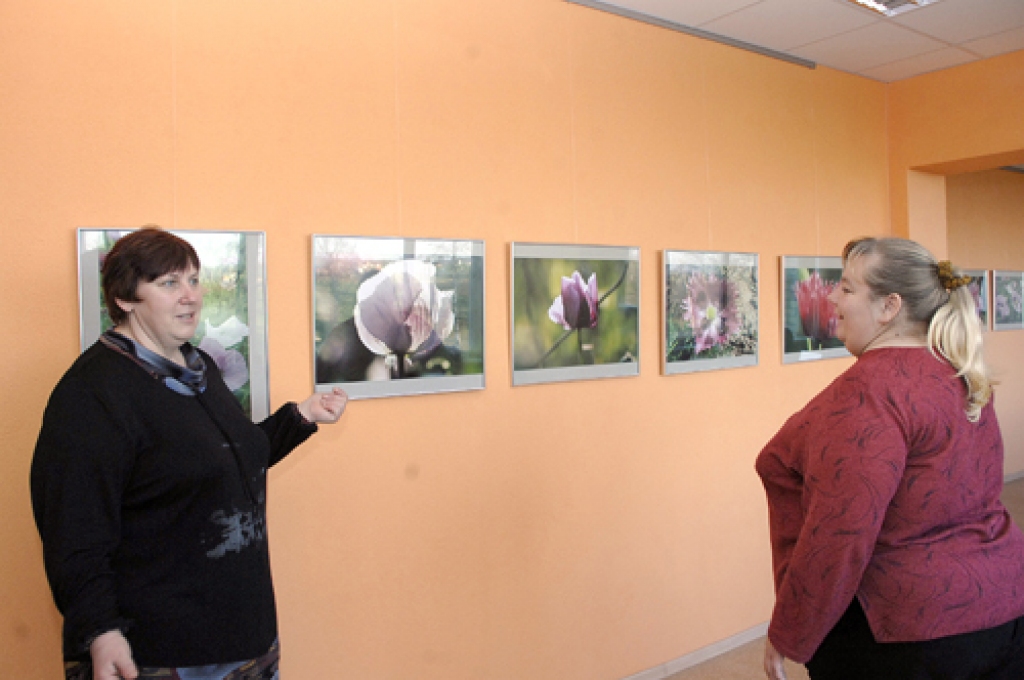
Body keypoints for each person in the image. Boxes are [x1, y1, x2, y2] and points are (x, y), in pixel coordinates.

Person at [31, 227, 348, 680]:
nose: (190, 297)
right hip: (162, 652)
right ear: (124, 298)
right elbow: (73, 531)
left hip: (245, 637)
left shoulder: (196, 366)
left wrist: (300, 417)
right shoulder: (92, 394)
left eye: (194, 280)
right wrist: (100, 630)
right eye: (169, 284)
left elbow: (228, 459)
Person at [757, 237, 1024, 680]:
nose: (831, 298)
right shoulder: (961, 374)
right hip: (1005, 607)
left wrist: (790, 629)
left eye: (846, 288)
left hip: (910, 634)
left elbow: (841, 531)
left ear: (889, 307)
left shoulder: (867, 394)